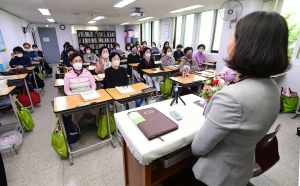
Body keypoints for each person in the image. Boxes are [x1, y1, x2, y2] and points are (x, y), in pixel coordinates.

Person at [191, 11, 289, 186]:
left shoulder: (232, 97)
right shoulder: (273, 87)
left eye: (231, 37)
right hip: (242, 169)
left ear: (245, 46)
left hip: (216, 177)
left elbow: (198, 148)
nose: (228, 43)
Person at [64, 53, 99, 125]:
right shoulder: (67, 75)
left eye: (80, 61)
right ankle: (75, 128)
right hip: (75, 97)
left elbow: (93, 85)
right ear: (71, 63)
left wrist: (91, 92)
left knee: (96, 111)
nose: (78, 63)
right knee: (77, 115)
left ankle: (98, 123)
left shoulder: (87, 73)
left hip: (88, 96)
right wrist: (73, 96)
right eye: (76, 61)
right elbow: (66, 90)